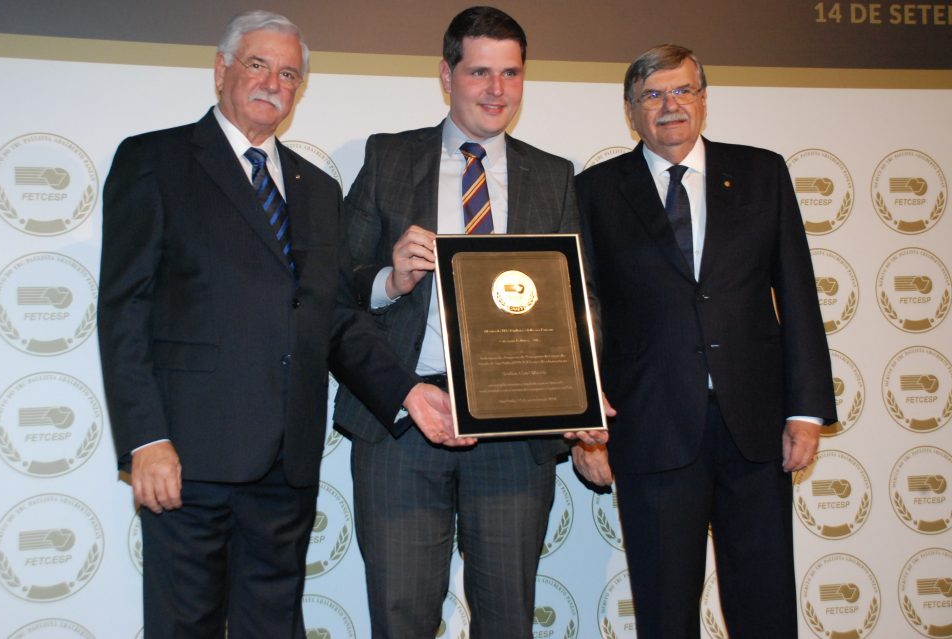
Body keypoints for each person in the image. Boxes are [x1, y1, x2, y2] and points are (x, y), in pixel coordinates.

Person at [98, 11, 453, 639]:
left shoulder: (316, 188)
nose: (272, 83)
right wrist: (145, 439)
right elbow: (125, 310)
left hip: (286, 464)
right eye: (258, 65)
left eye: (289, 74)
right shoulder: (154, 160)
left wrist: (406, 391)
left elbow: (335, 317)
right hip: (188, 458)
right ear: (221, 70)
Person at [332, 6, 606, 638]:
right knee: (401, 617)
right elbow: (335, 292)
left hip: (517, 426)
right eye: (480, 72)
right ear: (446, 75)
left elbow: (578, 302)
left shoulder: (553, 175)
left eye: (511, 73)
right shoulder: (388, 158)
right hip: (404, 420)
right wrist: (389, 279)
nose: (497, 90)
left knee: (508, 618)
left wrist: (582, 399)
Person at [573, 44, 836, 638]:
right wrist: (585, 424)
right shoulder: (593, 191)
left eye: (682, 90)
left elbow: (797, 292)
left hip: (757, 428)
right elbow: (580, 314)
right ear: (630, 111)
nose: (670, 106)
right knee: (665, 612)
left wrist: (806, 410)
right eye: (652, 95)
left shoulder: (762, 173)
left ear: (704, 99)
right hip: (650, 427)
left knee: (765, 607)